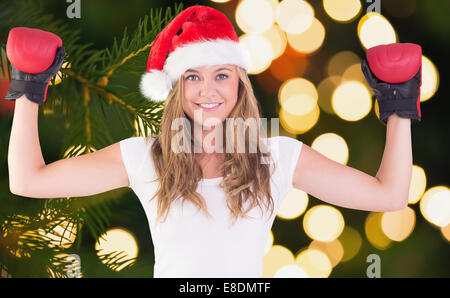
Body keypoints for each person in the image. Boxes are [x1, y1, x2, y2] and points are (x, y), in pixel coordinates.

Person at [5, 5, 422, 278]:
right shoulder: (146, 157)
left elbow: (388, 196)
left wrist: (399, 106)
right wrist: (29, 88)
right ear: (177, 87)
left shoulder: (276, 157)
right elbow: (28, 181)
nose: (208, 91)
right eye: (193, 77)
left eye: (221, 75)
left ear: (239, 84)